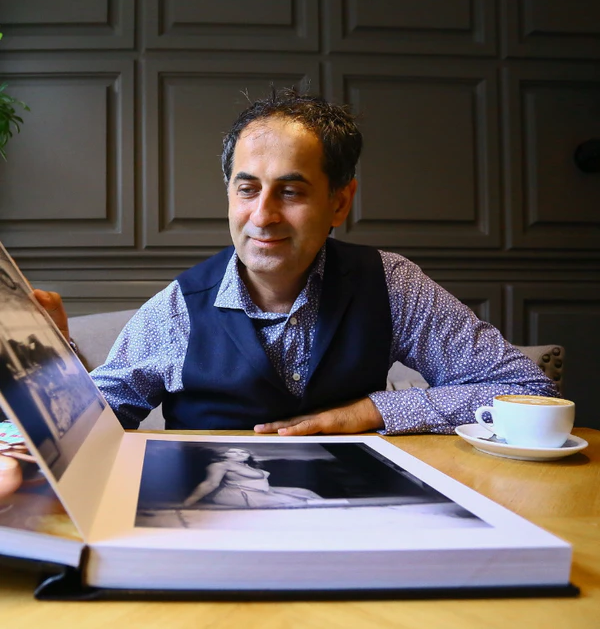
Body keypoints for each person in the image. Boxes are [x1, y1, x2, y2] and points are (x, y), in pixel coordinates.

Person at [34, 89, 557, 436]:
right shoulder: (178, 309)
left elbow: (529, 390)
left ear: (339, 202)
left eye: (291, 191)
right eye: (247, 189)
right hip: (209, 526)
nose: (263, 216)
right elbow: (81, 432)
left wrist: (373, 411)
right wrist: (51, 362)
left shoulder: (391, 285)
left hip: (356, 520)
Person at [183, 447, 321, 508]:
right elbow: (210, 484)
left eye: (242, 452)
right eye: (234, 451)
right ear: (225, 454)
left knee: (305, 492)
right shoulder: (220, 465)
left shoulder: (249, 466)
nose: (239, 454)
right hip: (236, 493)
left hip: (263, 491)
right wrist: (189, 502)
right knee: (292, 501)